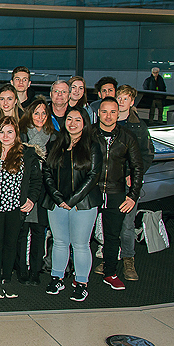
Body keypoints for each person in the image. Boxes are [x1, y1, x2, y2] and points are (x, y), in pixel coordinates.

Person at [43, 108, 102, 302]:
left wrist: (72, 200)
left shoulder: (93, 145)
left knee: (81, 245)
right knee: (59, 242)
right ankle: (57, 278)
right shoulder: (55, 143)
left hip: (83, 204)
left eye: (78, 119)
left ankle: (81, 283)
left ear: (85, 123)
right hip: (57, 203)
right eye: (69, 119)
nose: (73, 123)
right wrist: (58, 198)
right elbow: (47, 173)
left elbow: (93, 176)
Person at [0, 116, 42, 299]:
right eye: (2, 132)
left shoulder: (27, 153)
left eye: (10, 132)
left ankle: (7, 280)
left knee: (11, 244)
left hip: (16, 208)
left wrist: (31, 199)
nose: (5, 136)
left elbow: (36, 180)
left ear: (16, 134)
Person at [92, 97, 143, 291]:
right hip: (91, 192)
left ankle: (110, 272)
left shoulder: (127, 136)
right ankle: (77, 274)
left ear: (118, 113)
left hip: (116, 192)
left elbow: (137, 166)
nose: (108, 115)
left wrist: (133, 196)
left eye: (113, 112)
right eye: (104, 111)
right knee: (82, 237)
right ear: (98, 113)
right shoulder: (89, 134)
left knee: (112, 236)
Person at [115, 85, 155, 281]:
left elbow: (147, 154)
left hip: (130, 184)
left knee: (127, 224)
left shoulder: (139, 126)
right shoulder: (108, 122)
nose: (121, 102)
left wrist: (135, 175)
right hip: (110, 183)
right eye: (119, 98)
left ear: (132, 102)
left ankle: (128, 259)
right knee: (110, 223)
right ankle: (108, 260)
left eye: (125, 99)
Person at [16, 97, 55, 285]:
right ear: (29, 114)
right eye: (36, 113)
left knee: (39, 231)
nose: (40, 116)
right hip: (23, 189)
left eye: (43, 113)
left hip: (44, 192)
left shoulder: (53, 136)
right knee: (22, 231)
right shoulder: (21, 135)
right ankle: (21, 269)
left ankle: (35, 270)